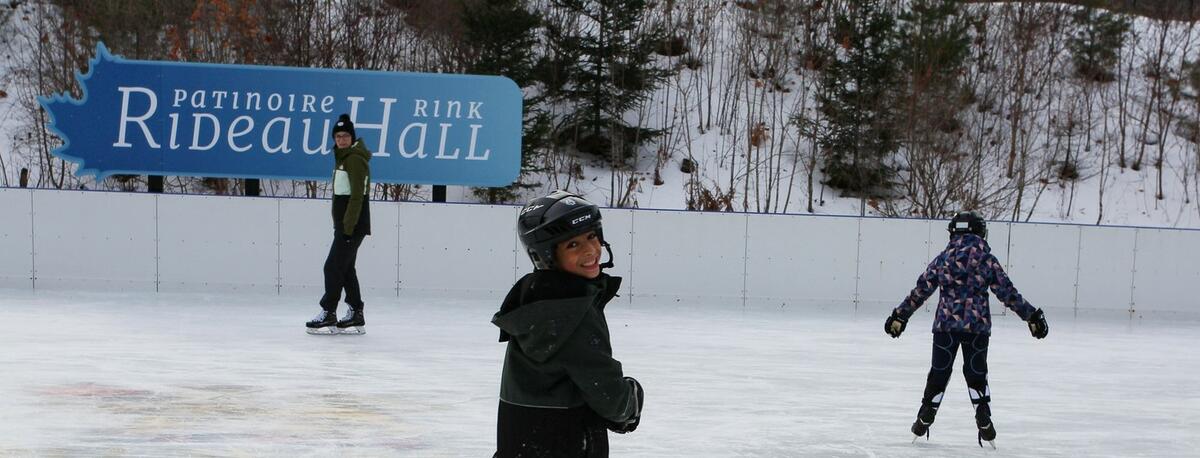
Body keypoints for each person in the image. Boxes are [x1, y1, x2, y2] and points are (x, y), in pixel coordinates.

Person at [492, 190, 644, 457]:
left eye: (592, 236)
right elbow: (610, 397)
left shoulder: (535, 298)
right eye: (573, 244)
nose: (590, 250)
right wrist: (632, 398)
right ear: (546, 255)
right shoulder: (572, 311)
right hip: (567, 443)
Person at [885, 211, 1048, 448]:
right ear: (980, 231)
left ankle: (926, 413)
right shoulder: (986, 259)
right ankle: (983, 413)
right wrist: (1031, 316)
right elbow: (1007, 292)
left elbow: (922, 289)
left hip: (945, 326)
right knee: (976, 373)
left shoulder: (944, 258)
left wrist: (900, 316)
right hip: (977, 327)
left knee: (939, 372)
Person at [306, 114, 371, 335]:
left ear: (352, 137)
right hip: (347, 225)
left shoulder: (354, 159)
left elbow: (357, 196)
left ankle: (328, 312)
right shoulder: (343, 158)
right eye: (338, 136)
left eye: (345, 136)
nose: (341, 140)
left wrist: (348, 227)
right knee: (345, 268)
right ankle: (355, 312)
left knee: (332, 267)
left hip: (352, 225)